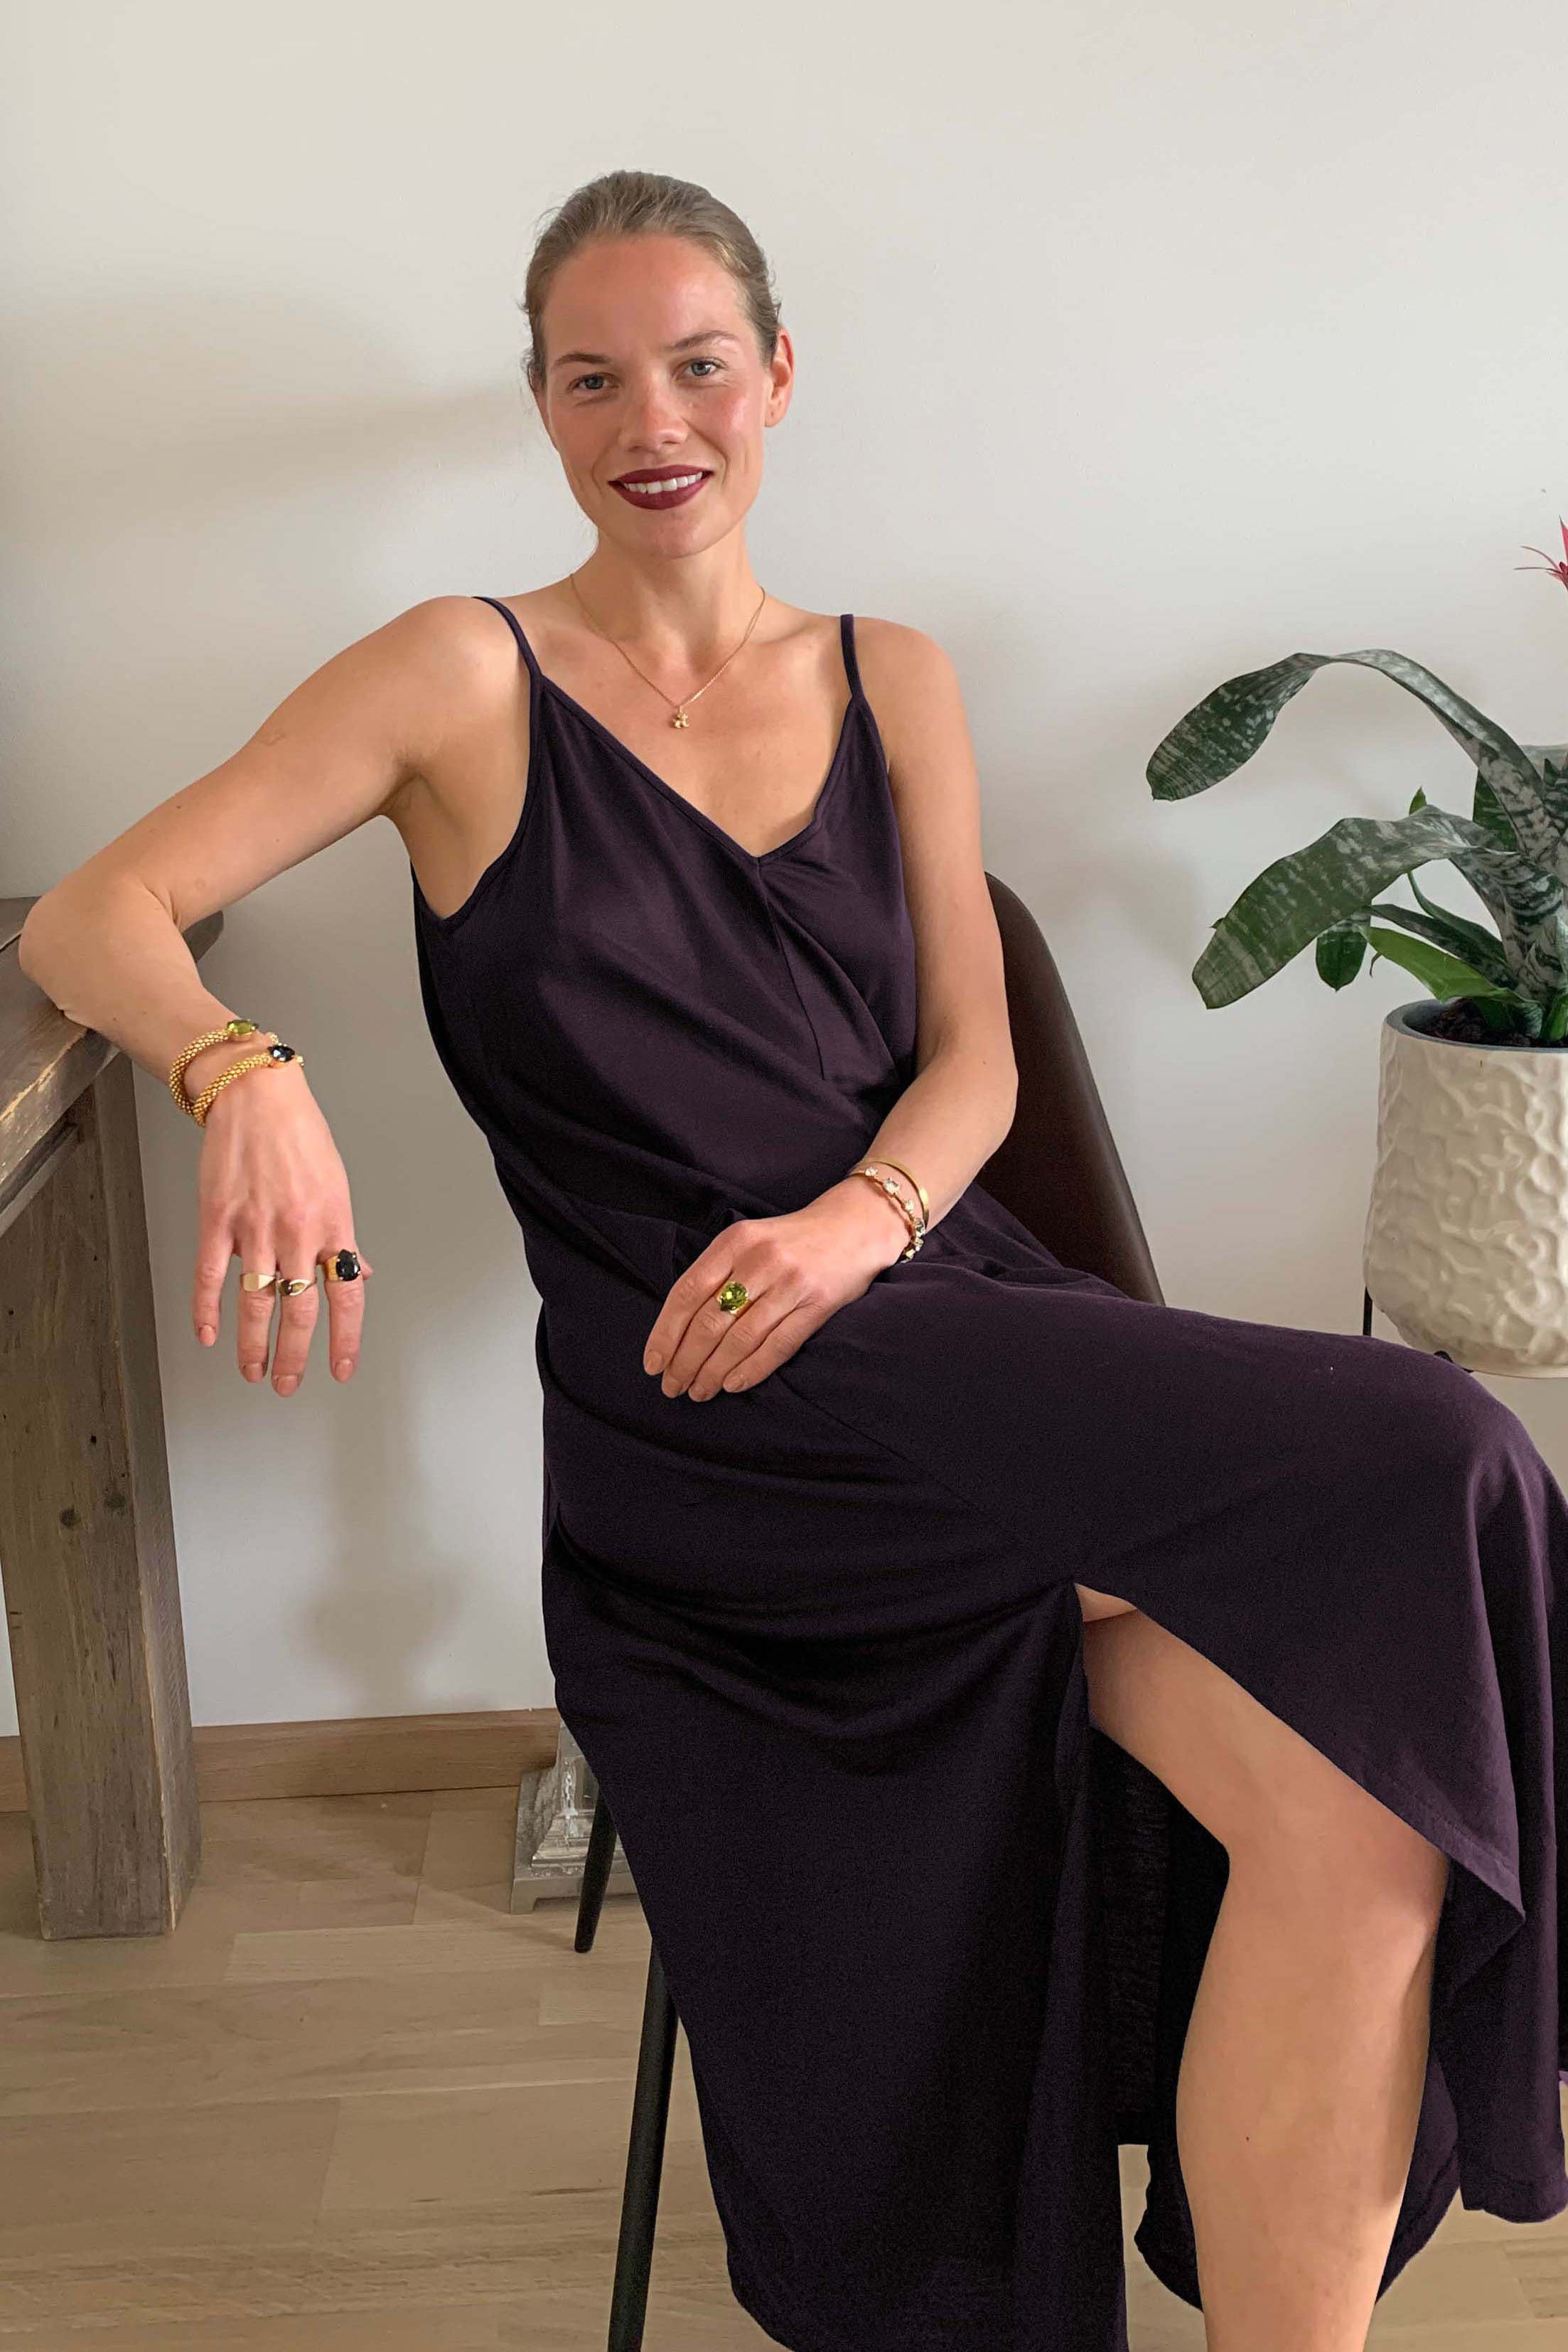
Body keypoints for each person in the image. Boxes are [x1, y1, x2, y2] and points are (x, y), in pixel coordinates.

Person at [17, 166, 1568, 2352]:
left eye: (698, 363)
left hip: (928, 1317)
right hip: (708, 1418)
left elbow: (967, 1064)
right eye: (592, 374)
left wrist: (862, 1220)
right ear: (542, 407)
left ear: (777, 381)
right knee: (1437, 1453)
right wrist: (237, 1069)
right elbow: (100, 914)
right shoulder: (461, 676)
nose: (652, 413)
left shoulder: (894, 675)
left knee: (1369, 1800)